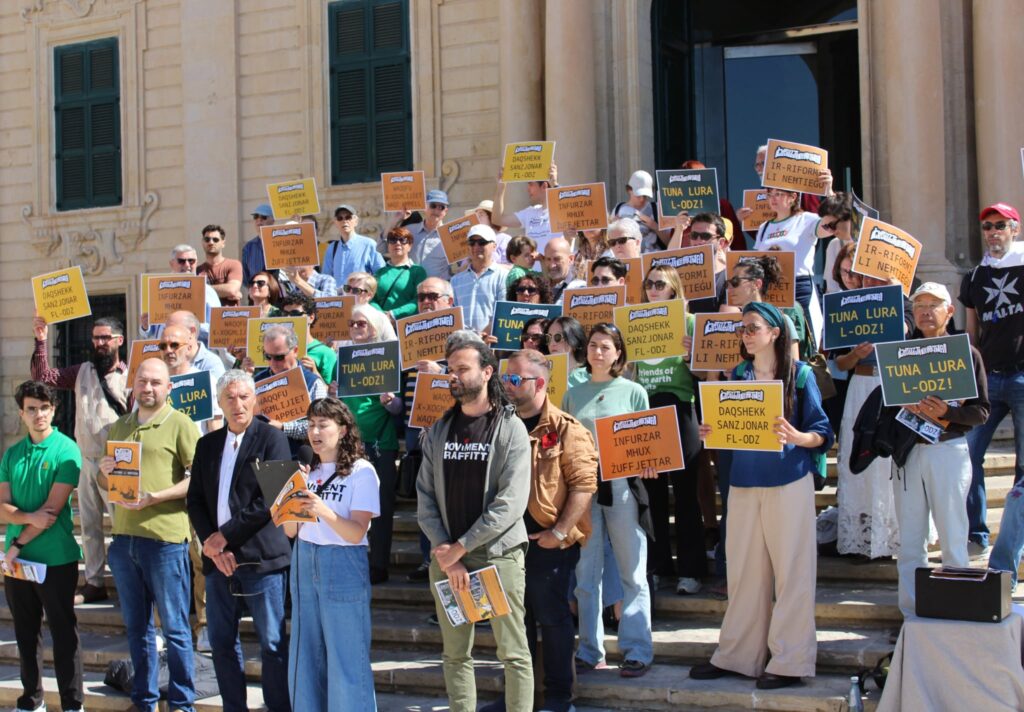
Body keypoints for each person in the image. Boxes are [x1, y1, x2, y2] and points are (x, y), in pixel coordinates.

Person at [690, 301, 833, 689]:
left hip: (789, 481)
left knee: (792, 574)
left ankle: (790, 661)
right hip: (743, 482)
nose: (746, 334)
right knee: (743, 574)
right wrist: (712, 430)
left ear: (775, 332)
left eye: (752, 327)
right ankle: (738, 655)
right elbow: (728, 428)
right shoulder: (737, 374)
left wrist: (798, 436)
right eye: (742, 329)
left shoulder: (801, 375)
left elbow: (823, 432)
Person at [417, 340, 533, 712]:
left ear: (486, 372)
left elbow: (510, 503)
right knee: (455, 655)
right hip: (447, 557)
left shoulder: (511, 428)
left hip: (497, 554)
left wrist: (461, 547)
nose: (454, 376)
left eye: (462, 369)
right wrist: (447, 551)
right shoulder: (439, 429)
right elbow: (425, 496)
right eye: (450, 369)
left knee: (513, 653)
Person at [186, 370, 293, 712]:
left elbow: (272, 499)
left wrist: (224, 537)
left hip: (261, 561)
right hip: (219, 563)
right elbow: (195, 499)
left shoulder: (272, 439)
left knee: (272, 644)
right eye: (230, 398)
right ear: (219, 403)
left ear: (255, 400)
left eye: (244, 397)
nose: (238, 404)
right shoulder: (207, 444)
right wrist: (211, 542)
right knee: (220, 643)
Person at [500, 349, 598, 712]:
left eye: (515, 379)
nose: (507, 385)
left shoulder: (567, 429)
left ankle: (559, 697)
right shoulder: (498, 425)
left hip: (547, 540)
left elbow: (584, 485)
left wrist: (559, 533)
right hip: (505, 540)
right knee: (513, 621)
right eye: (505, 378)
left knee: (552, 617)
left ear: (539, 383)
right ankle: (517, 699)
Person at [100, 358, 199, 712]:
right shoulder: (120, 426)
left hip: (165, 541)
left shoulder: (181, 424)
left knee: (175, 628)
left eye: (156, 382)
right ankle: (145, 701)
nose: (148, 387)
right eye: (142, 381)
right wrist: (104, 471)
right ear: (133, 384)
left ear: (169, 387)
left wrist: (156, 496)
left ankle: (182, 704)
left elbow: (198, 480)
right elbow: (107, 483)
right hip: (124, 539)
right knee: (137, 629)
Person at [563, 323, 655, 678]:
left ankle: (637, 650)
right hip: (583, 489)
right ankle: (590, 651)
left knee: (632, 570)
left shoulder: (634, 392)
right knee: (586, 574)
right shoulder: (572, 395)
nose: (598, 352)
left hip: (622, 487)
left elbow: (647, 441)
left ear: (618, 353)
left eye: (605, 346)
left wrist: (650, 462)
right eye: (593, 345)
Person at [892, 284, 988, 617]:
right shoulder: (899, 354)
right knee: (910, 540)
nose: (925, 311)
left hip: (948, 449)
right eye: (919, 305)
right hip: (908, 452)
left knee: (953, 534)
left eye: (933, 304)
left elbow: (981, 411)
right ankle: (911, 613)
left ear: (949, 311)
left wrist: (947, 413)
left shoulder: (967, 354)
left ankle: (956, 610)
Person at [284, 398, 380, 711]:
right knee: (305, 655)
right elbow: (290, 532)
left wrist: (322, 509)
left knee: (346, 657)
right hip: (304, 559)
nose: (315, 432)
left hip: (343, 563)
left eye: (323, 425)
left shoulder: (362, 471)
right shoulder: (304, 471)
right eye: (311, 425)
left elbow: (356, 532)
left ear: (343, 430)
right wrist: (286, 499)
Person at [31, 315, 127, 605]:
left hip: (117, 462)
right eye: (96, 337)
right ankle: (94, 581)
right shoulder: (82, 371)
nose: (99, 343)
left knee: (122, 525)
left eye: (105, 338)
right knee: (89, 524)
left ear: (119, 341)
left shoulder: (132, 374)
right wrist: (41, 340)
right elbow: (44, 377)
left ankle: (128, 582)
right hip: (86, 458)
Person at [0, 381, 83, 712]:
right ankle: (31, 700)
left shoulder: (67, 449)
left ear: (54, 410)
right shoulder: (12, 454)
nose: (39, 414)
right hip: (18, 563)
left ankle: (72, 704)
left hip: (55, 558)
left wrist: (17, 541)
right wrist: (26, 517)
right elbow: (2, 507)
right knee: (25, 634)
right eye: (32, 409)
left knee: (64, 634)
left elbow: (50, 512)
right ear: (21, 414)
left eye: (45, 408)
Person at [635, 266, 705, 594]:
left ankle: (691, 570)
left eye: (660, 284)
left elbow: (705, 373)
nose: (653, 288)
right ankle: (658, 566)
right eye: (649, 283)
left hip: (681, 407)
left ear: (673, 288)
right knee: (653, 494)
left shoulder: (689, 322)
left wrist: (692, 356)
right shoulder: (635, 322)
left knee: (687, 493)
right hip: (647, 409)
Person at [834, 274, 914, 559]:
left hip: (893, 385)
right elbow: (839, 363)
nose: (872, 283)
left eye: (879, 279)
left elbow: (905, 330)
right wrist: (856, 354)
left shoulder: (904, 304)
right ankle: (862, 538)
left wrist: (895, 295)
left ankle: (893, 537)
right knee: (859, 455)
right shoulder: (849, 307)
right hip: (860, 385)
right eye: (867, 278)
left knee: (888, 461)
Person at [960, 202, 1024, 557]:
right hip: (989, 380)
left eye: (1001, 225)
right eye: (987, 226)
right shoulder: (975, 277)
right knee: (968, 454)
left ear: (1015, 229)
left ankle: (1015, 542)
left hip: (1022, 375)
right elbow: (971, 331)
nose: (993, 232)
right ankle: (977, 532)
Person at [402, 279, 459, 583]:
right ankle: (429, 559)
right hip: (418, 431)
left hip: (454, 431)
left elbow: (475, 383)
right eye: (421, 296)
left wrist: (442, 373)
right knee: (426, 501)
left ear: (449, 301)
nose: (425, 301)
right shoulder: (410, 340)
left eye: (432, 296)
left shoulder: (462, 341)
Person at [340, 305, 402, 584]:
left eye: (361, 323)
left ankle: (378, 564)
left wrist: (390, 401)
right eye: (352, 324)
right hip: (349, 445)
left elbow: (399, 409)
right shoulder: (343, 359)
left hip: (380, 444)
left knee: (381, 507)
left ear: (375, 327)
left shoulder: (389, 359)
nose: (355, 328)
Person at [749, 181, 834, 343]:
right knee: (777, 340)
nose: (773, 198)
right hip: (772, 288)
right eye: (770, 194)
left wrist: (829, 192)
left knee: (806, 338)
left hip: (799, 286)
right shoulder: (764, 227)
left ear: (793, 197)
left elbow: (831, 226)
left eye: (778, 194)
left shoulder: (806, 219)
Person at [248, 325, 329, 456]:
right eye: (267, 356)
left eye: (279, 357)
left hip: (299, 458)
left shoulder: (312, 382)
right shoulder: (256, 382)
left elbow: (320, 426)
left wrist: (284, 427)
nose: (273, 362)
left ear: (295, 351)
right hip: (265, 457)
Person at [141, 244, 223, 341]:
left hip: (194, 347)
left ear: (196, 263)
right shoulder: (157, 289)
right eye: (181, 261)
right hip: (165, 347)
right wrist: (145, 327)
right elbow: (148, 332)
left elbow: (217, 329)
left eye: (191, 261)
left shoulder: (207, 292)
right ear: (171, 264)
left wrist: (190, 324)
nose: (187, 265)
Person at [450, 224, 508, 333]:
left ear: (494, 246)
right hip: (463, 340)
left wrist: (482, 337)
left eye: (482, 242)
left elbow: (503, 313)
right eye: (472, 243)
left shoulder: (503, 276)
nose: (476, 247)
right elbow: (453, 317)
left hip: (491, 340)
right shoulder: (455, 280)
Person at [492, 164, 559, 256]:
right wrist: (501, 187)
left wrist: (555, 184)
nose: (527, 189)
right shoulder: (530, 212)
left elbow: (563, 206)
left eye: (531, 184)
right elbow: (497, 219)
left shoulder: (560, 211)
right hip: (532, 266)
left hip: (554, 265)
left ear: (544, 186)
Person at [278, 293, 338, 384]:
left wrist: (314, 372)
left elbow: (331, 391)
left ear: (311, 317)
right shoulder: (274, 351)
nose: (288, 318)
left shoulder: (326, 353)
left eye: (295, 314)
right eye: (285, 314)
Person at [678, 212, 730, 314]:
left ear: (721, 243)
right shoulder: (678, 275)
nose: (698, 241)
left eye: (705, 236)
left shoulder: (730, 278)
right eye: (694, 235)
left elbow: (726, 319)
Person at [322, 204, 385, 286]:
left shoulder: (369, 244)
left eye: (348, 217)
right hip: (337, 294)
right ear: (336, 223)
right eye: (340, 218)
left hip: (360, 293)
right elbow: (326, 278)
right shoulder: (331, 248)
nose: (344, 221)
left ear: (356, 221)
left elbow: (380, 274)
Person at [373, 226, 427, 320]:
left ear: (410, 246)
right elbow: (371, 298)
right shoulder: (379, 273)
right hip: (382, 323)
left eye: (403, 240)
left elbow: (420, 299)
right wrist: (382, 316)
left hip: (408, 323)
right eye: (393, 240)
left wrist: (394, 314)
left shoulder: (418, 271)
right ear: (388, 245)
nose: (397, 243)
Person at [399, 190, 453, 280]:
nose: (436, 210)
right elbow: (382, 249)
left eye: (441, 207)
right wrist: (395, 219)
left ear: (445, 211)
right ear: (424, 207)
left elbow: (464, 263)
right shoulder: (408, 231)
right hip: (411, 285)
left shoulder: (451, 235)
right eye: (433, 206)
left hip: (438, 287)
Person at [611, 170, 667, 253]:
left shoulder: (656, 208)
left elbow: (670, 242)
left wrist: (655, 226)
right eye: (638, 195)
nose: (642, 199)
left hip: (652, 256)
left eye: (645, 196)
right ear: (629, 190)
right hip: (627, 257)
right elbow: (608, 241)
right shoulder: (618, 209)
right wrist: (613, 227)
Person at [818, 193, 855, 294]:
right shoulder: (834, 245)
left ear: (848, 217)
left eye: (832, 225)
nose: (830, 231)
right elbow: (832, 289)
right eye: (826, 227)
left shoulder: (873, 243)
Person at [198, 224, 244, 306]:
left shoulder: (233, 264)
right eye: (207, 239)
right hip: (207, 314)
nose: (211, 242)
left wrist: (201, 290)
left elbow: (231, 290)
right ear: (202, 242)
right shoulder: (197, 270)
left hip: (228, 313)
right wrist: (224, 291)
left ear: (223, 243)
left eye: (215, 240)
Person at [544, 316, 591, 388]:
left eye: (558, 337)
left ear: (574, 340)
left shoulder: (590, 377)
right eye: (548, 338)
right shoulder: (542, 376)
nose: (552, 343)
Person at [242, 204, 276, 287]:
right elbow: (245, 276)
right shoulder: (248, 247)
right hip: (257, 292)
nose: (259, 220)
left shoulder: (282, 243)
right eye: (256, 216)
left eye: (263, 217)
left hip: (280, 293)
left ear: (273, 220)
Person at [544, 237, 587, 302]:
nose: (552, 265)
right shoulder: (538, 286)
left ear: (571, 259)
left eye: (557, 259)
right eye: (548, 259)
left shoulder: (579, 288)